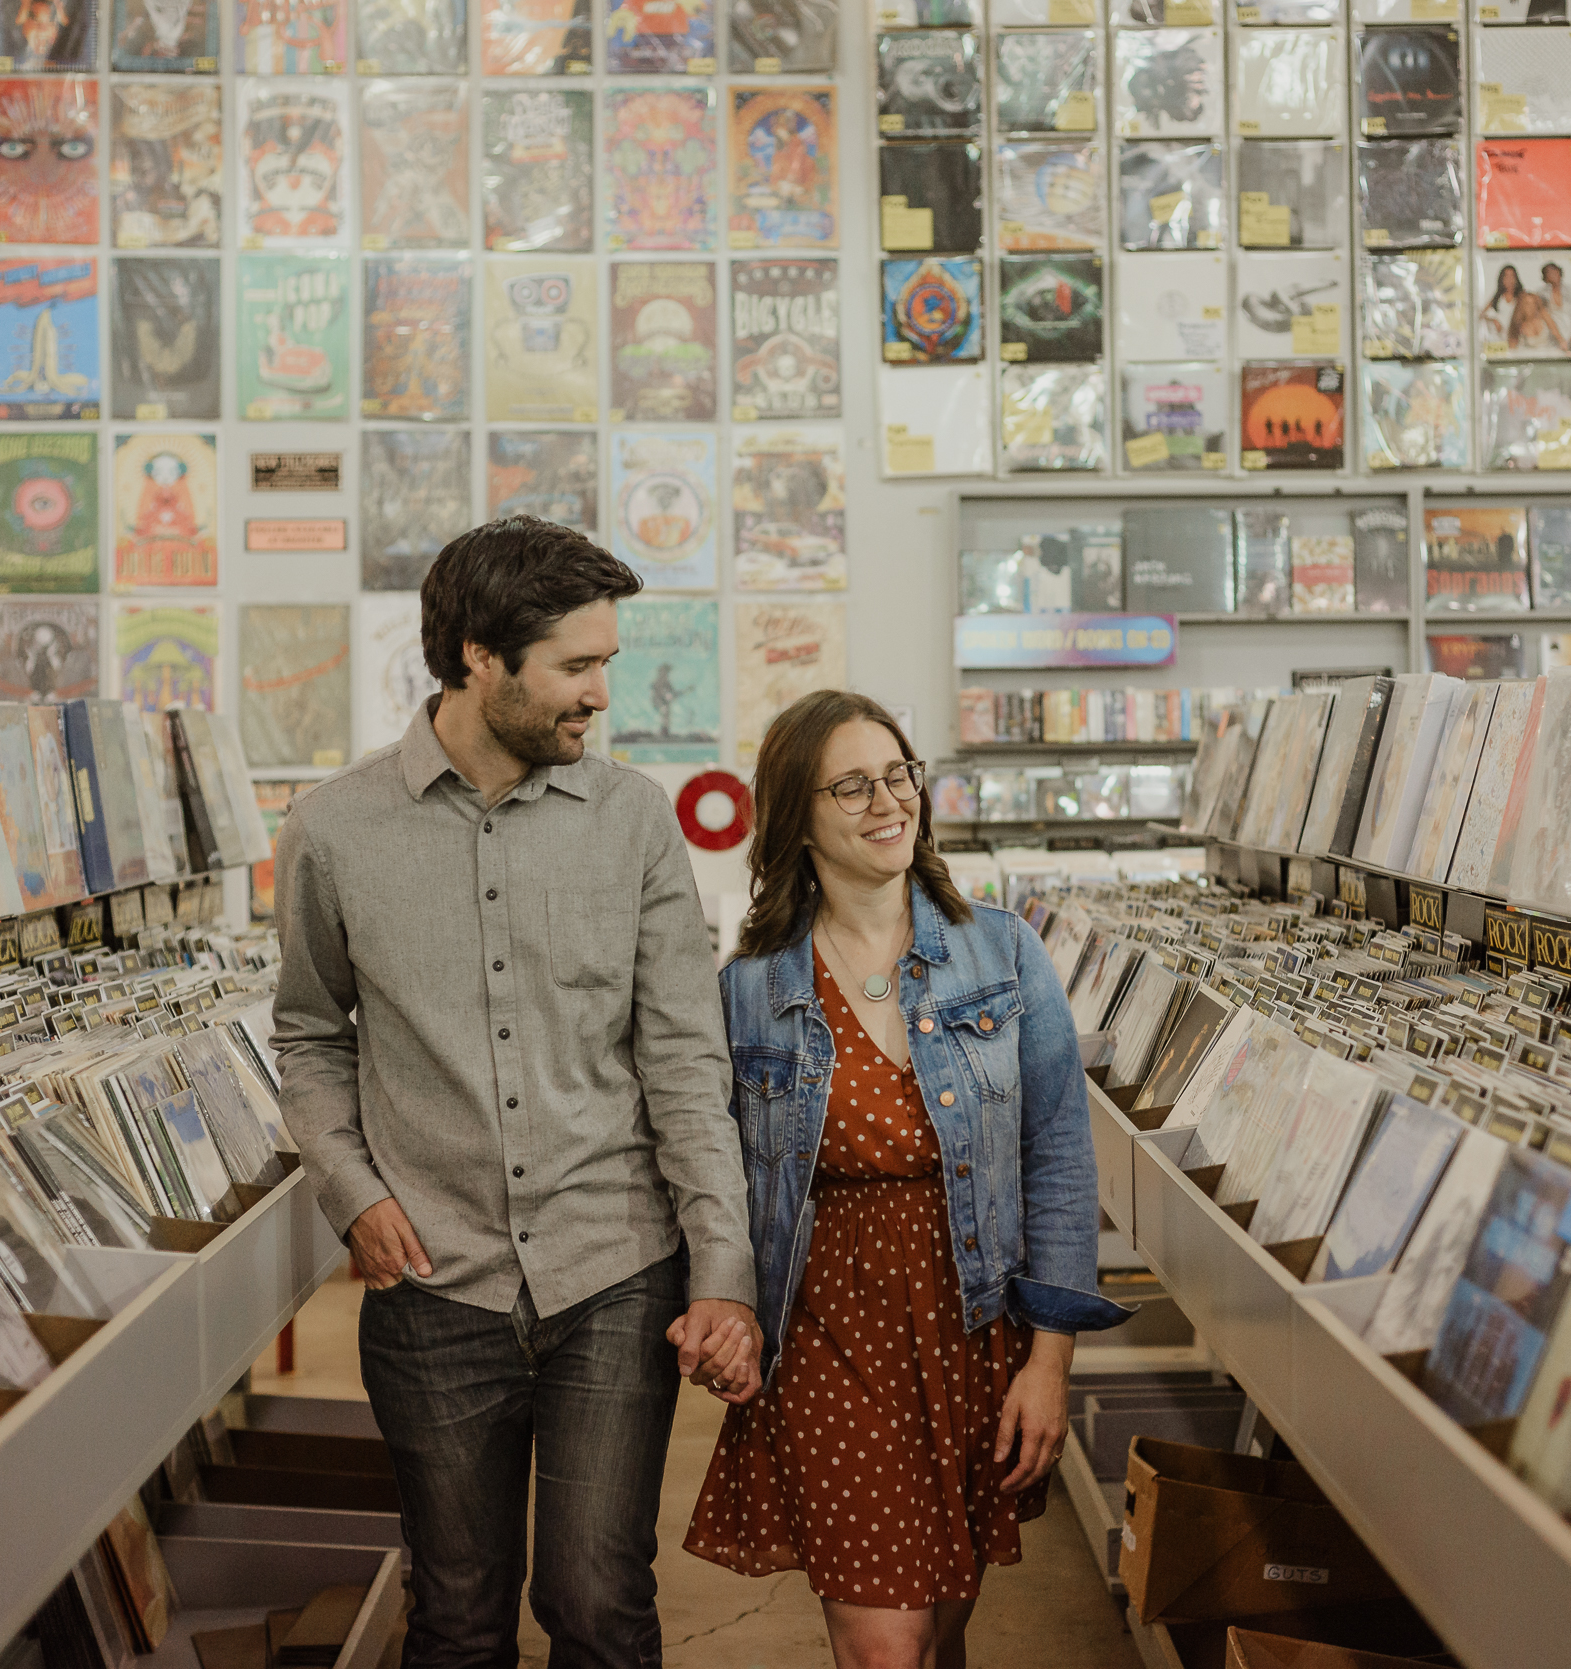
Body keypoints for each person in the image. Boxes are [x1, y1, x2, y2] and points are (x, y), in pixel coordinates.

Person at [272, 516, 762, 1669]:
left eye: (606, 664)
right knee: (455, 1612)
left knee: (598, 1603)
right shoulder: (332, 830)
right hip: (433, 1283)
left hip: (615, 1273)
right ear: (480, 657)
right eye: (576, 667)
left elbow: (686, 1062)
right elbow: (305, 1035)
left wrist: (723, 1270)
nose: (600, 695)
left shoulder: (633, 820)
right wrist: (349, 1188)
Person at [686, 690, 1130, 1669]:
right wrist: (713, 1301)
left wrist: (1049, 1362)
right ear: (796, 813)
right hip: (826, 1330)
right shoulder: (752, 987)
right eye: (852, 785)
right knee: (884, 1643)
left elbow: (1058, 1158)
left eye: (897, 774)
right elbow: (707, 1163)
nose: (887, 801)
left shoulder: (1003, 950)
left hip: (972, 1322)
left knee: (937, 1625)